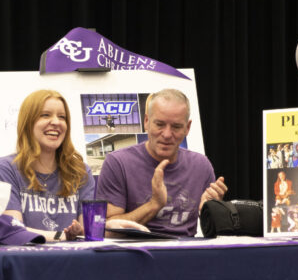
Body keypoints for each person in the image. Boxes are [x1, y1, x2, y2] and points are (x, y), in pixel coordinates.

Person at [95, 88, 227, 236]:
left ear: (187, 128)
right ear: (146, 122)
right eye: (160, 124)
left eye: (176, 127)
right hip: (134, 255)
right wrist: (154, 205)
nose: (166, 134)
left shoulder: (201, 166)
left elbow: (212, 232)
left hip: (186, 254)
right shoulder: (118, 163)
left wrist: (211, 211)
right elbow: (106, 231)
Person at [0, 90, 94, 241]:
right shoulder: (4, 169)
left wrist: (82, 231)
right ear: (28, 122)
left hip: (73, 260)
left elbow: (87, 232)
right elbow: (12, 231)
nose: (56, 122)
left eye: (62, 117)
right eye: (45, 115)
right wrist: (63, 236)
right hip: (25, 261)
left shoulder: (81, 171)